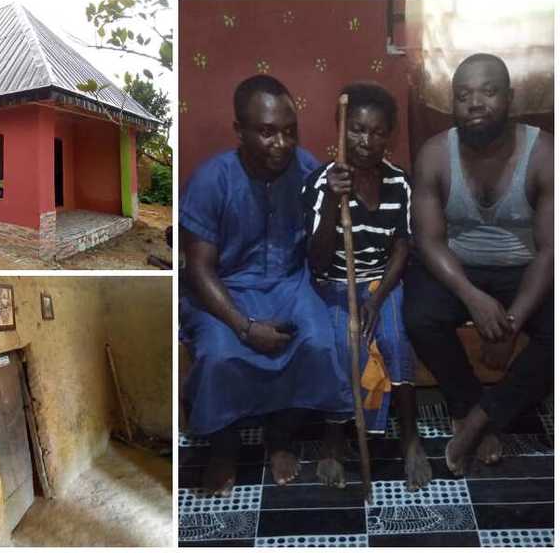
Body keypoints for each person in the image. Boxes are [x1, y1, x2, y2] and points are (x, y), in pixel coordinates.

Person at [180, 75, 351, 497]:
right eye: (267, 131)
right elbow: (199, 271)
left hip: (292, 282)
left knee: (317, 343)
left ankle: (281, 436)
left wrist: (329, 203)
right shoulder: (211, 179)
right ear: (240, 131)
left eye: (290, 132)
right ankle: (224, 448)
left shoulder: (311, 170)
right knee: (219, 354)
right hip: (225, 289)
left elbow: (320, 258)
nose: (282, 143)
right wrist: (243, 326)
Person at [406, 53, 553, 476]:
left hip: (526, 269)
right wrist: (473, 298)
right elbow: (429, 241)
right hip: (458, 269)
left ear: (509, 98)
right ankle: (468, 401)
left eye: (488, 92)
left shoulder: (544, 153)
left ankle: (480, 419)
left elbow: (550, 251)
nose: (475, 103)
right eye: (463, 95)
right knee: (419, 316)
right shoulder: (435, 154)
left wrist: (509, 323)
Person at [303, 82, 432, 490]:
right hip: (334, 284)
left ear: (389, 135)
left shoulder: (400, 184)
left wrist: (378, 296)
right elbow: (318, 261)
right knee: (343, 344)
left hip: (382, 281)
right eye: (357, 129)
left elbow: (402, 248)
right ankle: (332, 441)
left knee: (394, 338)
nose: (366, 141)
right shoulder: (322, 183)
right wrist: (331, 209)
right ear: (340, 129)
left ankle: (410, 438)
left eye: (377, 132)